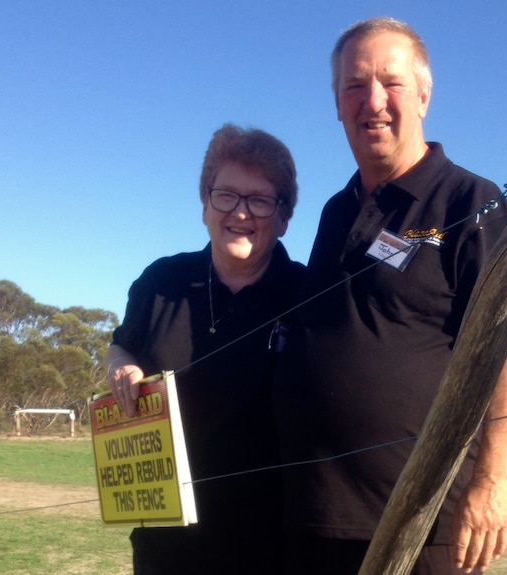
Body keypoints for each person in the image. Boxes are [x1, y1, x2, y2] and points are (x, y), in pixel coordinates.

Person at [273, 17, 507, 575]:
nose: (372, 100)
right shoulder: (334, 211)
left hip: (422, 525)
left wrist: (492, 484)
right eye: (354, 85)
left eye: (391, 82)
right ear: (337, 105)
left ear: (423, 95)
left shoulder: (471, 201)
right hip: (315, 520)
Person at [105, 123, 303, 574]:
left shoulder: (307, 292)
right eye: (226, 194)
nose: (240, 212)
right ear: (204, 205)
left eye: (260, 199)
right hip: (165, 542)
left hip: (273, 544)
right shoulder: (161, 282)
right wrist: (120, 367)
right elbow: (120, 346)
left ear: (284, 216)